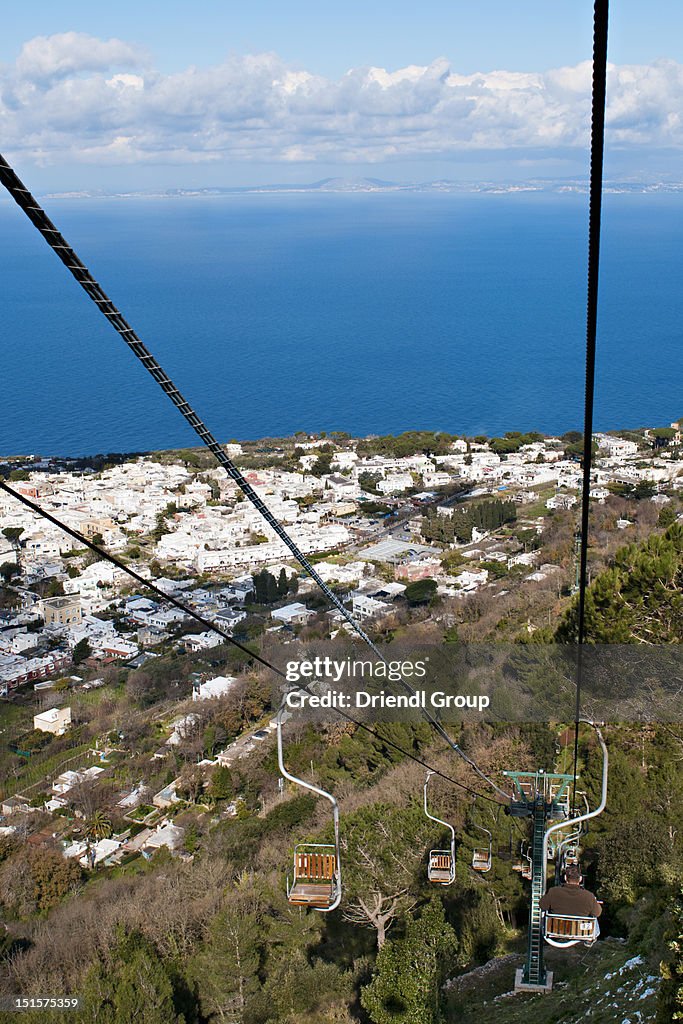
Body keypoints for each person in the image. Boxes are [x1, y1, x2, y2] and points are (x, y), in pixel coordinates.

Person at [540, 864, 602, 934]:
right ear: (580, 879)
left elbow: (542, 905)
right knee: (594, 916)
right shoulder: (589, 896)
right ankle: (590, 940)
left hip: (556, 930)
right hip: (580, 932)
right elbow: (597, 913)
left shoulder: (553, 892)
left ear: (565, 878)